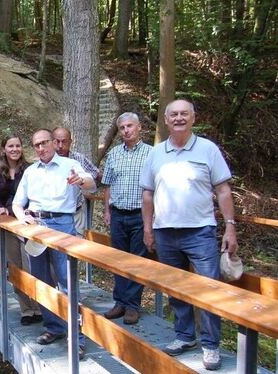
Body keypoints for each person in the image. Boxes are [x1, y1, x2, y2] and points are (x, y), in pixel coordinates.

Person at [140, 99, 238, 371]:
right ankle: (185, 336)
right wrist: (148, 228)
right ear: (166, 120)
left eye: (184, 114)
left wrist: (230, 225)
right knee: (176, 289)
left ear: (193, 118)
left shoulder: (208, 149)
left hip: (201, 231)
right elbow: (147, 194)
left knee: (209, 290)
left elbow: (223, 190)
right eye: (174, 114)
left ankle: (211, 345)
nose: (179, 118)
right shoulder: (156, 153)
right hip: (165, 232)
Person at [12, 129, 96, 358]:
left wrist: (81, 180)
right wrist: (22, 218)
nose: (41, 148)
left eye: (44, 143)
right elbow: (18, 204)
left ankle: (77, 338)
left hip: (62, 226)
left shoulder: (69, 164)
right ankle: (54, 327)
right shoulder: (30, 172)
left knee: (67, 282)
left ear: (53, 143)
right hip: (37, 226)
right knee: (42, 282)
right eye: (37, 144)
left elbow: (90, 183)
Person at [100, 113, 152, 325]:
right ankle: (120, 302)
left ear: (139, 127)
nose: (126, 130)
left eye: (130, 126)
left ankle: (132, 305)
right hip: (118, 215)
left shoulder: (151, 153)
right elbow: (108, 185)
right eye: (122, 127)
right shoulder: (114, 154)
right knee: (118, 260)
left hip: (140, 215)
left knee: (137, 262)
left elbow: (156, 187)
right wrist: (107, 211)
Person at [0, 134, 42, 325]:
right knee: (14, 266)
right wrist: (0, 208)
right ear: (4, 149)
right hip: (9, 225)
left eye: (18, 146)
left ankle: (38, 307)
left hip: (27, 223)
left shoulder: (30, 169)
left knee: (31, 266)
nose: (14, 149)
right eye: (10, 146)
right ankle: (26, 310)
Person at [52, 127, 101, 236]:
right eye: (57, 141)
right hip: (54, 216)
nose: (60, 146)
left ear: (70, 142)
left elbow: (96, 174)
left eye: (64, 141)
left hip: (76, 214)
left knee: (76, 248)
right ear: (52, 142)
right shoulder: (47, 161)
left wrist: (82, 181)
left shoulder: (78, 158)